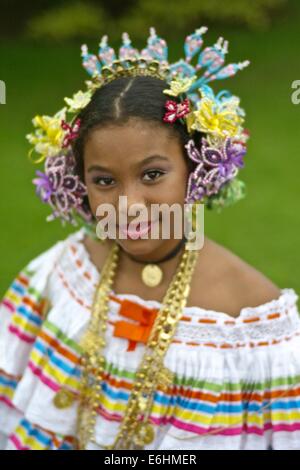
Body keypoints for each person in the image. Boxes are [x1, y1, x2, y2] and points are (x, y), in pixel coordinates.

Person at [0, 27, 299, 451]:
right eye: (104, 180)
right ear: (79, 183)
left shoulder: (252, 320)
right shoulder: (65, 274)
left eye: (153, 175)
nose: (129, 204)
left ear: (196, 167)